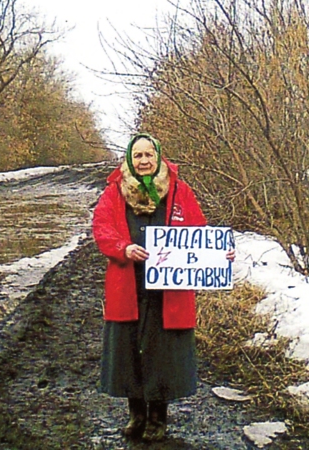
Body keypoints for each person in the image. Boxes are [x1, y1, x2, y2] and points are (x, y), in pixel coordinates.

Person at [92, 132, 235, 441]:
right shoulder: (114, 192)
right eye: (138, 156)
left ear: (158, 158)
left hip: (168, 289)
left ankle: (158, 417)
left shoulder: (179, 190)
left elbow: (198, 231)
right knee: (129, 351)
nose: (144, 161)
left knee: (161, 353)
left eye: (149, 155)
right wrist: (123, 248)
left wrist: (218, 253)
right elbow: (101, 228)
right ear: (130, 160)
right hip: (128, 286)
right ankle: (136, 414)